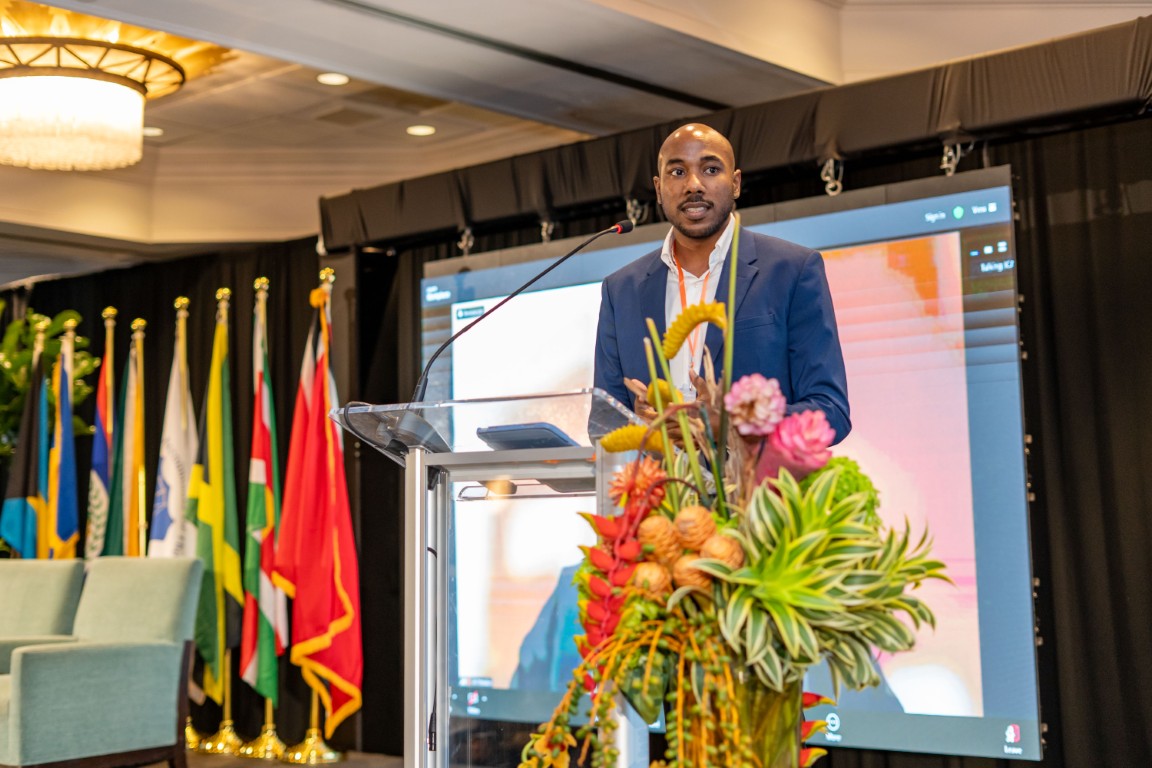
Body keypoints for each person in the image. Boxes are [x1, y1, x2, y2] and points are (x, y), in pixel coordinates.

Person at [593, 123, 850, 444]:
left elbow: (830, 412)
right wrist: (639, 428)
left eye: (711, 170)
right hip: (659, 477)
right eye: (677, 172)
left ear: (736, 183)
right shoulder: (621, 290)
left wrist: (732, 423)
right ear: (658, 189)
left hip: (754, 477)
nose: (694, 185)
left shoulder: (793, 270)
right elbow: (603, 424)